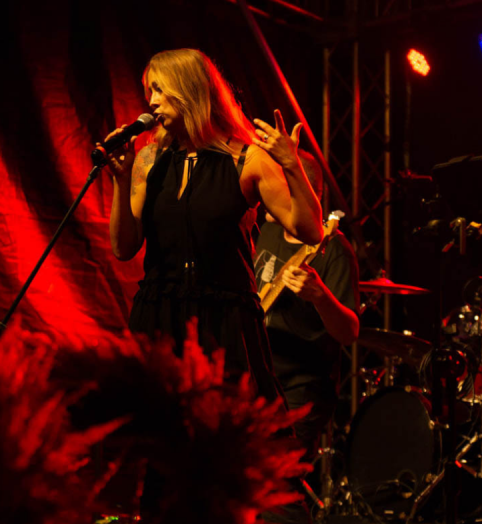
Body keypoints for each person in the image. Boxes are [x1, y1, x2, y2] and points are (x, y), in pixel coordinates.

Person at [103, 48, 323, 403]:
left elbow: (311, 231)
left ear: (189, 90)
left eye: (159, 89)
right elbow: (123, 247)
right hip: (159, 315)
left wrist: (292, 166)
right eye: (149, 92)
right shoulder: (148, 160)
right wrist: (121, 178)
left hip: (224, 320)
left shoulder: (247, 159)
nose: (152, 101)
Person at [254, 149, 359, 484]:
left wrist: (320, 296)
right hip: (258, 380)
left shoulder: (334, 250)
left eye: (274, 187)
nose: (264, 194)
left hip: (300, 391)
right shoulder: (267, 230)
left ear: (301, 195)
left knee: (278, 488)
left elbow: (349, 332)